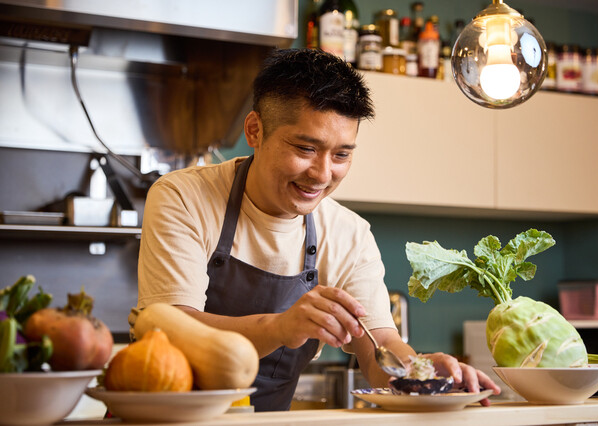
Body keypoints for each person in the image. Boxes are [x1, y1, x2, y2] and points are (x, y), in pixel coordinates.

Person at [137, 48, 500, 411]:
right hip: (168, 418)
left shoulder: (349, 235)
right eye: (306, 148)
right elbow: (170, 330)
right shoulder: (182, 197)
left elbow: (379, 351)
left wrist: (420, 370)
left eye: (341, 155)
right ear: (255, 130)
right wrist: (280, 328)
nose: (323, 174)